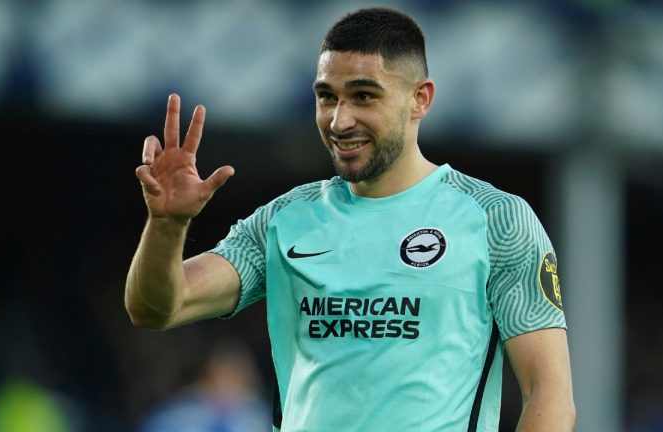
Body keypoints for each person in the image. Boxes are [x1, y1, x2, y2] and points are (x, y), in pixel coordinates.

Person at [126, 7, 575, 431]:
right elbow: (157, 307)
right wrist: (167, 227)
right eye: (327, 97)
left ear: (420, 99)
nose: (340, 120)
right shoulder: (285, 220)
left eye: (363, 96)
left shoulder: (495, 220)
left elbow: (548, 393)